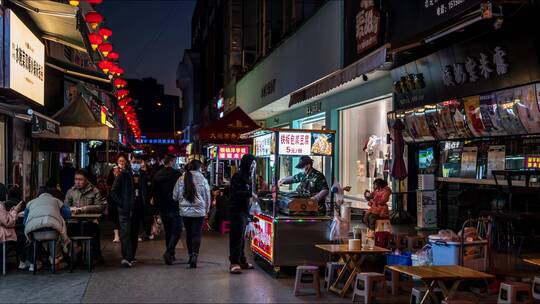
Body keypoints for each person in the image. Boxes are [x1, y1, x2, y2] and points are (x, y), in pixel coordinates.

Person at [109, 155, 148, 267]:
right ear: (130, 162)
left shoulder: (144, 174)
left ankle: (132, 256)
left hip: (138, 209)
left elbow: (147, 189)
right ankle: (126, 257)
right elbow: (113, 191)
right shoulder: (123, 174)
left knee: (134, 233)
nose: (136, 164)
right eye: (134, 161)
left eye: (138, 162)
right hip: (125, 210)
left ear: (141, 162)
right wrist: (122, 203)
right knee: (125, 233)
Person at [24, 184, 71, 270]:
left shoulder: (30, 203)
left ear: (37, 194)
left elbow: (25, 221)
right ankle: (56, 260)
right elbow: (68, 214)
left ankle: (35, 262)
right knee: (54, 234)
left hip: (34, 232)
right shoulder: (56, 201)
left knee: (36, 237)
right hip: (52, 231)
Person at [173, 159, 211, 268]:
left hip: (185, 212)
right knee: (196, 234)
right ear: (199, 168)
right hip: (199, 212)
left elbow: (175, 196)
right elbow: (207, 196)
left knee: (189, 234)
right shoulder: (203, 179)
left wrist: (182, 201)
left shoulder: (181, 178)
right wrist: (207, 210)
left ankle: (190, 255)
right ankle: (195, 255)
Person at [65, 169, 106, 261]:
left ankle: (96, 255)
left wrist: (85, 209)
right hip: (74, 222)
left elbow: (100, 207)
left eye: (80, 179)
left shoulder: (95, 191)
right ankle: (69, 256)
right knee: (66, 232)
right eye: (76, 179)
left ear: (86, 180)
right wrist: (72, 209)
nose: (78, 182)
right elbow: (65, 207)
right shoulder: (71, 191)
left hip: (89, 222)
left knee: (95, 230)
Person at [228, 154, 256, 274]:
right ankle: (234, 262)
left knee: (242, 238)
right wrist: (250, 194)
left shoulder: (248, 176)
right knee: (236, 237)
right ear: (246, 163)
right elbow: (236, 192)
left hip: (244, 210)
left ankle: (242, 260)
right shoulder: (237, 176)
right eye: (252, 164)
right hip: (236, 210)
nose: (253, 166)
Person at [152, 154, 182, 265]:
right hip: (175, 206)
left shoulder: (157, 175)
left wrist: (156, 211)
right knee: (177, 230)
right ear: (172, 161)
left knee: (168, 231)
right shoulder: (177, 174)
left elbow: (154, 194)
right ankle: (169, 252)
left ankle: (171, 254)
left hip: (162, 207)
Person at [0, 183, 24, 268]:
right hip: (4, 234)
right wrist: (15, 210)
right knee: (22, 237)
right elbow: (8, 222)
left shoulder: (5, 204)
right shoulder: (0, 206)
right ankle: (23, 259)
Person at [107, 153, 127, 243]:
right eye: (120, 161)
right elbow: (109, 183)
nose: (121, 162)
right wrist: (116, 176)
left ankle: (124, 235)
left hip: (125, 197)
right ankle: (116, 235)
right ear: (117, 161)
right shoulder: (113, 170)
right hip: (114, 198)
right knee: (115, 216)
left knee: (124, 216)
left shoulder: (127, 171)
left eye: (123, 161)